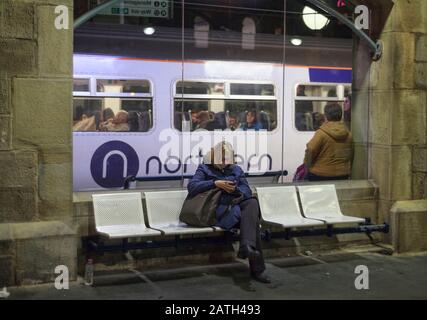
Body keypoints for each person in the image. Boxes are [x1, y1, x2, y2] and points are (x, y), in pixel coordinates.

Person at [187, 142, 271, 283]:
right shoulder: (204, 169)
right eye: (221, 158)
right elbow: (192, 186)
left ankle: (247, 246)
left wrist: (235, 190)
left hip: (236, 210)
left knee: (252, 202)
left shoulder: (236, 170)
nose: (224, 162)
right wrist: (215, 183)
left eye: (227, 159)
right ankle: (257, 267)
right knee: (252, 221)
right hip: (218, 213)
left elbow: (247, 191)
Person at [304, 103, 353, 181]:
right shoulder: (349, 135)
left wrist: (307, 165)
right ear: (341, 116)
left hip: (320, 174)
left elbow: (310, 150)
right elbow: (350, 155)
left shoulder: (321, 133)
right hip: (342, 174)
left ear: (325, 116)